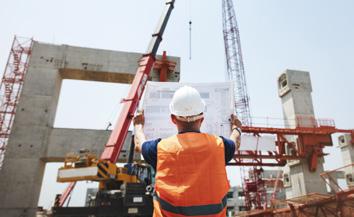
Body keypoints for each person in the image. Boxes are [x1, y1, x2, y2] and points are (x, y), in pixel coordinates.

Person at [133, 85, 241, 217]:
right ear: (202, 118)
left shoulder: (160, 149)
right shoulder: (220, 146)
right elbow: (236, 142)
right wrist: (237, 128)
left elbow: (139, 144)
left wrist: (138, 126)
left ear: (173, 119)